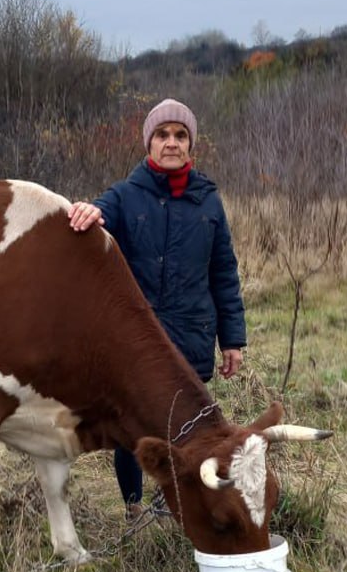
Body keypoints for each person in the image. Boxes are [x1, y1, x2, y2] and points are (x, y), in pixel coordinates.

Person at [68, 98, 246, 519]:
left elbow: (224, 271)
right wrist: (89, 210)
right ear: (149, 143)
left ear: (191, 146)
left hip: (192, 333)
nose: (171, 143)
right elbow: (99, 213)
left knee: (185, 428)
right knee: (133, 430)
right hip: (139, 340)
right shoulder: (126, 195)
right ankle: (133, 509)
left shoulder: (208, 202)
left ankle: (173, 504)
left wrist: (232, 340)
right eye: (162, 135)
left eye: (180, 135)